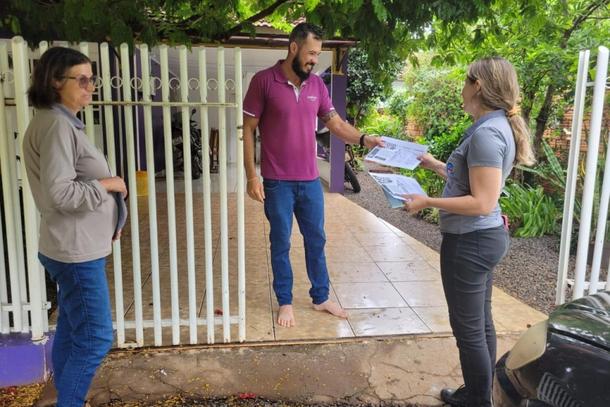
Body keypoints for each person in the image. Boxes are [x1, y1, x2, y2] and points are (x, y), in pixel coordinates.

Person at [402, 57, 535, 407]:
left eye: (465, 81)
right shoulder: (488, 126)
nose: (461, 89)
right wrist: (434, 165)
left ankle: (478, 400)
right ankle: (481, 392)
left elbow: (481, 202)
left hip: (471, 242)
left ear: (478, 86)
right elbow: (472, 184)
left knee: (469, 330)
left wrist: (426, 201)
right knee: (480, 323)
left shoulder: (488, 133)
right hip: (480, 239)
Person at [242, 22, 384, 328]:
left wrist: (363, 139)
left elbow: (335, 123)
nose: (314, 60)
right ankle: (285, 301)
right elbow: (249, 128)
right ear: (294, 47)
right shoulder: (263, 81)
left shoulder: (317, 86)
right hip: (277, 181)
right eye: (310, 53)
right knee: (280, 241)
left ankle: (320, 297)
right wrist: (251, 176)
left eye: (318, 54)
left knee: (316, 239)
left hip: (308, 182)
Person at [23, 47, 127, 407]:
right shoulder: (55, 126)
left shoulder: (60, 122)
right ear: (55, 82)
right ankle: (70, 401)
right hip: (75, 252)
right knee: (96, 337)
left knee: (70, 328)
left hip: (72, 246)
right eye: (81, 80)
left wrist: (110, 217)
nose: (90, 87)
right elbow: (59, 193)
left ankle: (61, 397)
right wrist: (110, 186)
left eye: (91, 79)